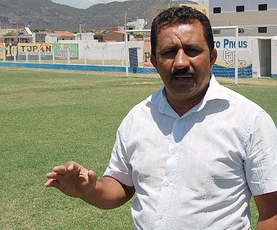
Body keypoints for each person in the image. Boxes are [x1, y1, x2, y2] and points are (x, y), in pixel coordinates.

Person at [45, 6, 277, 229]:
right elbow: (121, 185)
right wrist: (89, 189)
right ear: (155, 62)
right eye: (168, 52)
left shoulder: (250, 120)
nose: (181, 62)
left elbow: (271, 211)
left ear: (212, 56)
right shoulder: (138, 118)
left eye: (193, 50)